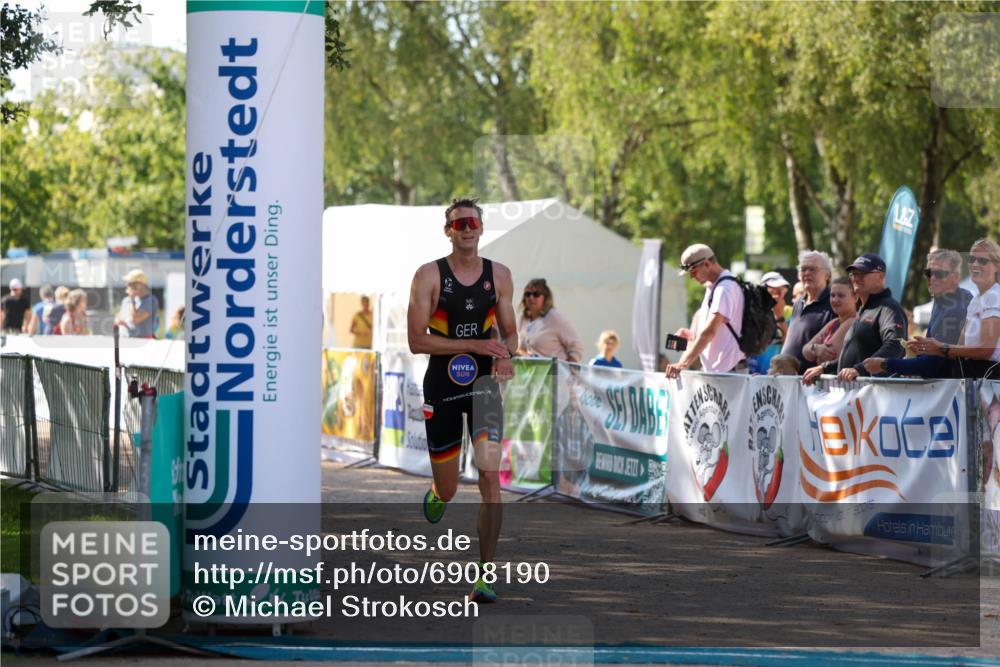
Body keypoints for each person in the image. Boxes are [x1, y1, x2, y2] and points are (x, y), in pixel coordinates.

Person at [407, 197, 518, 604]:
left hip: (485, 385)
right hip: (443, 385)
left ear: (482, 228)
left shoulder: (500, 275)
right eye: (459, 224)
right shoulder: (428, 275)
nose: (467, 228)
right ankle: (438, 492)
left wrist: (506, 356)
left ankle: (485, 573)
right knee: (451, 488)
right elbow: (417, 340)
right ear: (448, 231)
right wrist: (475, 343)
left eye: (473, 222)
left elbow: (510, 333)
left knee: (490, 475)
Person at [862, 248, 973, 378]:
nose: (932, 278)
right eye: (928, 273)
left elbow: (932, 365)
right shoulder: (942, 300)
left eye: (939, 274)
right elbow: (937, 357)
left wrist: (885, 364)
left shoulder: (957, 306)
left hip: (953, 391)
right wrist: (921, 350)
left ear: (956, 277)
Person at [802, 253, 906, 384]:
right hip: (857, 395)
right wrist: (824, 368)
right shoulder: (864, 310)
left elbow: (895, 345)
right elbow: (855, 359)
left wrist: (860, 370)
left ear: (881, 277)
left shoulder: (888, 308)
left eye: (862, 274)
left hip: (877, 396)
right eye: (853, 274)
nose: (856, 278)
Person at [906, 239, 1000, 379]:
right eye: (972, 259)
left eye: (982, 261)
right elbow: (959, 347)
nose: (975, 264)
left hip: (990, 381)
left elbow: (985, 350)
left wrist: (941, 348)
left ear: (997, 266)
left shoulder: (994, 296)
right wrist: (927, 349)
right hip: (974, 379)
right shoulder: (976, 300)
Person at [665, 244, 746, 377]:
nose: (692, 276)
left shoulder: (724, 288)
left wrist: (683, 364)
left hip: (730, 372)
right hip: (722, 371)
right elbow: (717, 331)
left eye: (693, 271)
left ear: (707, 263)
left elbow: (709, 332)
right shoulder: (714, 286)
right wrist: (692, 335)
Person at [781, 251, 835, 369]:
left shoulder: (834, 303)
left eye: (812, 269)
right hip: (788, 378)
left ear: (827, 275)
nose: (807, 273)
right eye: (803, 269)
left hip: (812, 381)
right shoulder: (798, 303)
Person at [516, 278, 583, 362]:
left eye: (536, 294)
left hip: (556, 373)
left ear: (545, 297)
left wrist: (568, 369)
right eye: (527, 294)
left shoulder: (555, 318)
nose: (531, 297)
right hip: (532, 373)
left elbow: (576, 347)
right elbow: (519, 348)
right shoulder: (523, 319)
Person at [801, 277, 857, 369]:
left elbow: (829, 355)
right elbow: (805, 351)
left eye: (841, 295)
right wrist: (816, 349)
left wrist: (814, 349)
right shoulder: (834, 323)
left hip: (842, 381)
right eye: (832, 295)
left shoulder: (853, 321)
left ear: (855, 298)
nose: (835, 300)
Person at [748, 271, 791, 374]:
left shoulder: (790, 312)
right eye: (772, 290)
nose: (776, 295)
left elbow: (789, 344)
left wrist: (779, 315)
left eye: (780, 290)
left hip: (776, 375)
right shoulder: (752, 312)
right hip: (753, 372)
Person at [114, 269, 159, 338]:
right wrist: (118, 320)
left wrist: (132, 299)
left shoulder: (150, 301)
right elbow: (119, 316)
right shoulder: (126, 300)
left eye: (130, 283)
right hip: (124, 339)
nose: (128, 285)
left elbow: (135, 320)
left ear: (139, 285)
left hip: (141, 341)